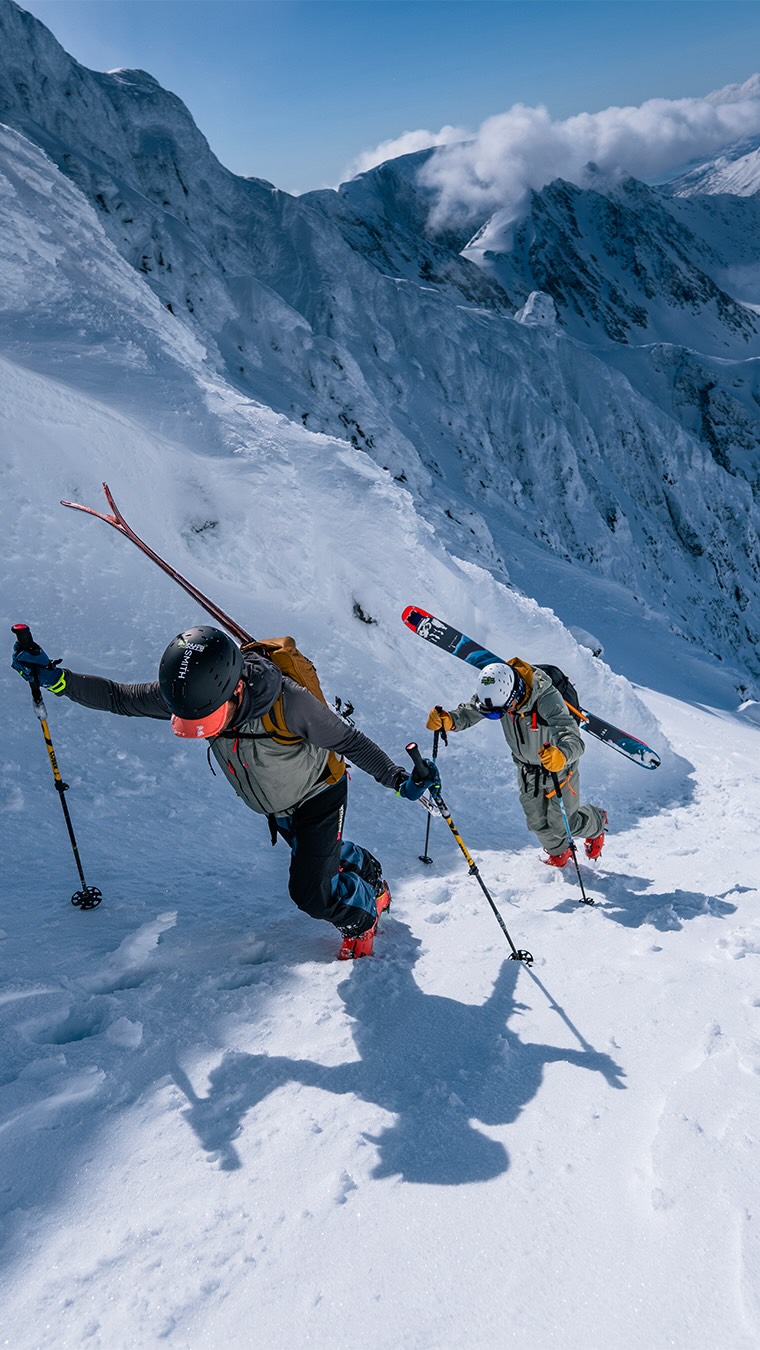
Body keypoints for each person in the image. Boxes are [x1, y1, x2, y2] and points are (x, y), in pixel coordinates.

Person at [12, 625, 439, 958]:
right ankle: (362, 864)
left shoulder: (290, 704)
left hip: (318, 794)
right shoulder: (192, 694)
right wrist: (57, 680)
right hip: (275, 801)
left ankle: (363, 914)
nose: (202, 724)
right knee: (315, 855)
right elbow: (119, 697)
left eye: (210, 718)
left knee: (311, 892)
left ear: (235, 688)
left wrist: (400, 780)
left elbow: (350, 742)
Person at [426, 659, 606, 867]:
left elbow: (572, 738)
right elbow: (471, 711)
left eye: (500, 711)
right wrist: (450, 720)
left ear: (515, 694)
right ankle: (559, 851)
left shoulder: (546, 698)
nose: (499, 715)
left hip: (558, 768)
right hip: (526, 770)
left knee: (564, 825)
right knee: (537, 822)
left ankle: (597, 821)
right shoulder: (496, 694)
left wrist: (562, 755)